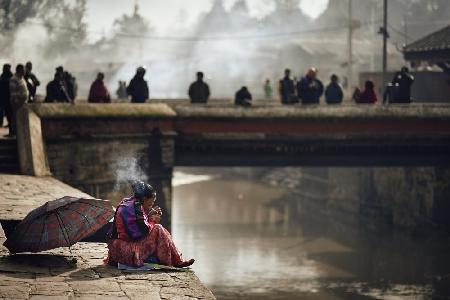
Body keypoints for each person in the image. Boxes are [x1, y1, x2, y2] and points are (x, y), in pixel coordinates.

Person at [105, 181, 195, 268]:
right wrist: (152, 220)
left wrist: (148, 214)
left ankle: (176, 260)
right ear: (144, 199)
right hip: (124, 250)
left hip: (116, 249)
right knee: (158, 228)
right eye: (150, 203)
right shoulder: (135, 208)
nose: (151, 206)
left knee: (157, 230)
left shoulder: (128, 203)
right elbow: (139, 233)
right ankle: (175, 261)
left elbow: (135, 224)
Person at [9, 64, 28, 136]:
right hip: (17, 103)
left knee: (21, 118)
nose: (25, 71)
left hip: (23, 103)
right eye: (23, 70)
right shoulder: (14, 79)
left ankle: (20, 133)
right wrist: (16, 101)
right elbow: (13, 92)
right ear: (19, 70)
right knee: (16, 118)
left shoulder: (22, 78)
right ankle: (14, 134)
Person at [0, 64, 13, 129]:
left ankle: (11, 127)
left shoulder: (10, 76)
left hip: (7, 97)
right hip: (3, 97)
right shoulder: (3, 75)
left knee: (9, 113)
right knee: (5, 112)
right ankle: (3, 123)